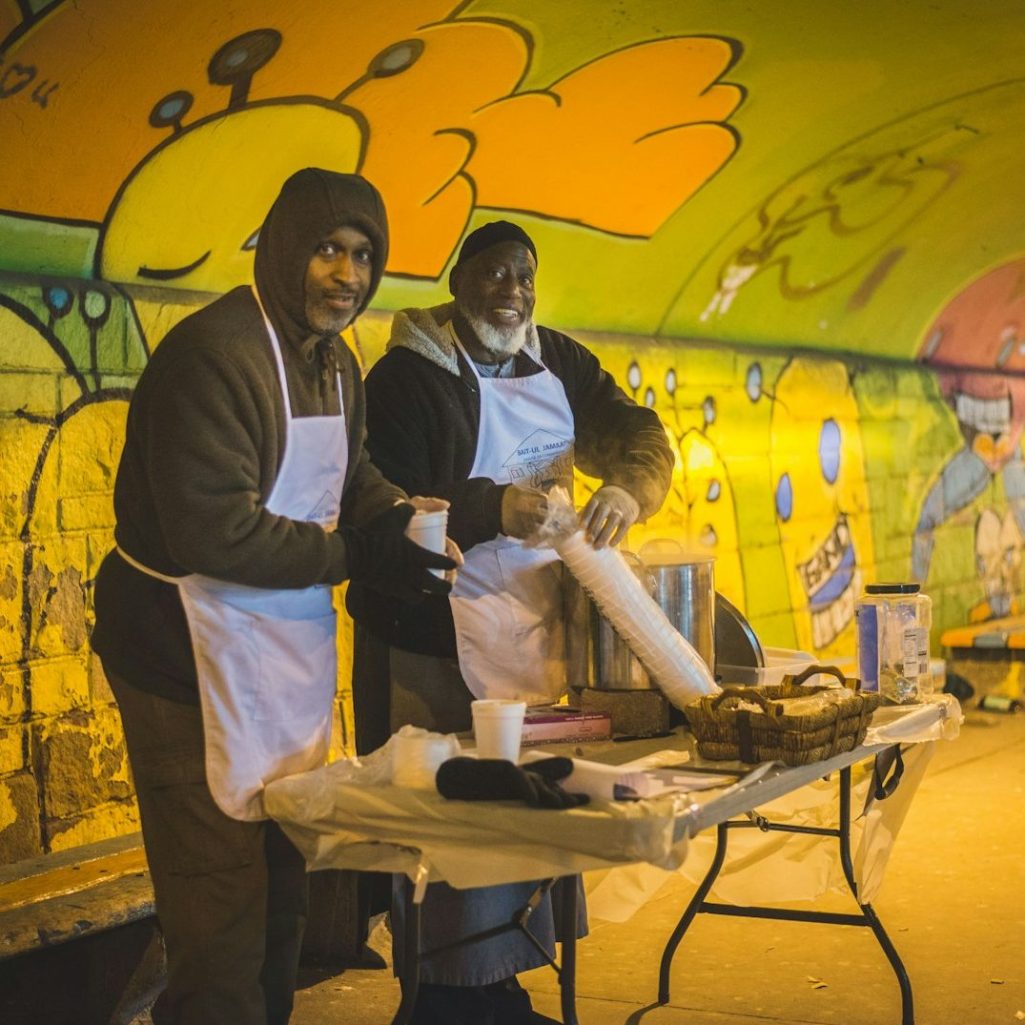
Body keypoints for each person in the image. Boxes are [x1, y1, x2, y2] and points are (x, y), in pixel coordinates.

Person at [91, 168, 456, 1025]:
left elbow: (349, 473)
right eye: (327, 249)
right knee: (219, 897)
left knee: (284, 878)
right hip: (181, 654)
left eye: (362, 255)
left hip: (275, 651)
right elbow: (215, 532)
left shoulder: (335, 362)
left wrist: (397, 522)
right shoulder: (214, 356)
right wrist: (357, 554)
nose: (346, 275)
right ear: (286, 247)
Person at [347, 220, 674, 1023]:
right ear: (457, 282)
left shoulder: (556, 359)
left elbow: (638, 432)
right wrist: (492, 506)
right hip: (431, 637)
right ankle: (442, 997)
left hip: (533, 626)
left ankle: (502, 986)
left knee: (525, 811)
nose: (512, 291)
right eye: (494, 274)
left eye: (524, 277)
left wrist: (627, 488)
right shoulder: (405, 379)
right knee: (450, 820)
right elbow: (382, 498)